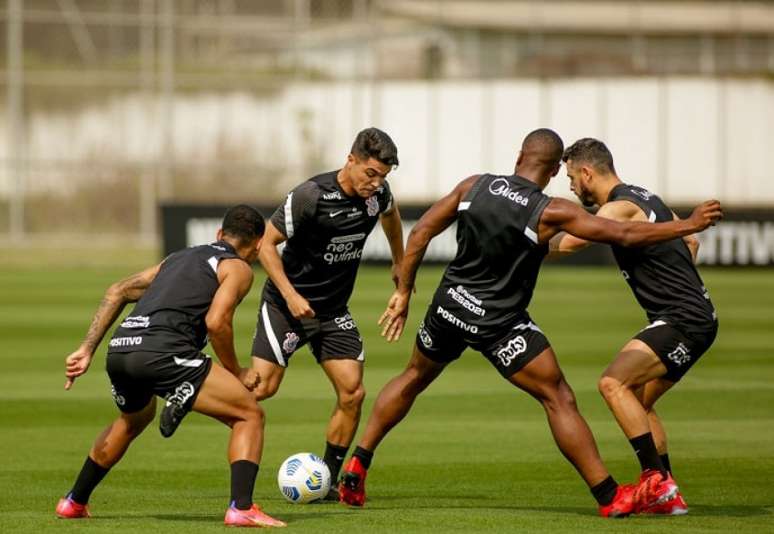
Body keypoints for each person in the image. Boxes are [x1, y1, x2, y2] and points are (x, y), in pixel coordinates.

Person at [337, 128, 723, 517]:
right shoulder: (551, 210)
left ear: (519, 155)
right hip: (500, 324)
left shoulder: (475, 185)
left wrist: (404, 291)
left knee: (413, 377)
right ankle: (609, 496)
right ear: (555, 169)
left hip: (449, 306)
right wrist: (689, 225)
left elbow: (420, 232)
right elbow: (622, 232)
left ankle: (357, 467)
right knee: (558, 397)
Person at [55, 205, 286, 528]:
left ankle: (73, 501)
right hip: (164, 351)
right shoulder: (237, 268)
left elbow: (118, 290)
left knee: (134, 419)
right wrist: (237, 372)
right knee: (249, 414)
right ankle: (242, 507)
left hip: (120, 349)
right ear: (259, 245)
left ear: (219, 234)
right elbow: (217, 323)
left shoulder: (176, 258)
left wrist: (86, 348)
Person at [549, 137, 720, 515]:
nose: (573, 187)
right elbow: (690, 239)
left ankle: (654, 480)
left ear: (587, 172)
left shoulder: (619, 207)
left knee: (613, 383)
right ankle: (668, 496)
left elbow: (572, 242)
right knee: (638, 402)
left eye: (572, 178)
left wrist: (522, 241)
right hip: (694, 315)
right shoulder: (647, 197)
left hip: (682, 320)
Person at [250, 127, 405, 499]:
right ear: (350, 160)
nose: (376, 183)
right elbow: (265, 246)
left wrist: (400, 262)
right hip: (286, 307)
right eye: (370, 173)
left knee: (352, 393)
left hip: (333, 311)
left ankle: (329, 482)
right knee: (262, 388)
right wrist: (289, 295)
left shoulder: (378, 194)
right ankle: (192, 392)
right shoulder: (311, 196)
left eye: (383, 176)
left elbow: (391, 215)